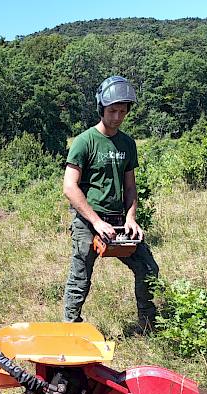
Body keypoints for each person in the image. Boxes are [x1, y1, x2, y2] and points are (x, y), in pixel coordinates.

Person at [62, 76, 159, 334]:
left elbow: (130, 186)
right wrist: (96, 221)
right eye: (112, 111)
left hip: (119, 219)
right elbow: (70, 187)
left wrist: (131, 218)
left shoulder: (127, 144)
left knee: (148, 268)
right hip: (89, 220)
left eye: (122, 111)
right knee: (79, 277)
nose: (117, 117)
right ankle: (71, 331)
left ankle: (147, 324)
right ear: (101, 109)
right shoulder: (85, 141)